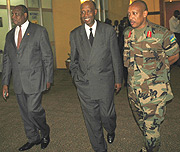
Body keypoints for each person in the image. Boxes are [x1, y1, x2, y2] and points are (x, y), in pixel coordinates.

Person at [124, 1, 179, 152]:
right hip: (134, 89)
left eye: (134, 13)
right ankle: (151, 141)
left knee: (151, 126)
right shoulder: (127, 33)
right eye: (129, 14)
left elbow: (174, 54)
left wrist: (159, 70)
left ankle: (151, 148)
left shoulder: (162, 33)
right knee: (142, 121)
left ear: (145, 14)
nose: (131, 17)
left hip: (154, 90)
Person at [69, 1, 123, 152]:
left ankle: (110, 129)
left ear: (95, 12)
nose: (85, 15)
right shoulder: (75, 34)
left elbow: (115, 56)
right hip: (84, 84)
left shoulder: (108, 30)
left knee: (107, 115)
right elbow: (73, 60)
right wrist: (76, 77)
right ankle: (100, 148)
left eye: (88, 11)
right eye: (83, 12)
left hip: (104, 81)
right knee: (91, 120)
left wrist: (118, 79)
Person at [2, 5, 53, 151]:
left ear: (25, 15)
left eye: (16, 14)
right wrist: (5, 83)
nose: (13, 17)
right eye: (12, 14)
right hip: (18, 82)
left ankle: (44, 132)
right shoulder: (9, 35)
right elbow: (7, 60)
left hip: (35, 79)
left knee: (33, 109)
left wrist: (48, 78)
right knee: (25, 112)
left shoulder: (39, 31)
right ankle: (32, 138)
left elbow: (47, 56)